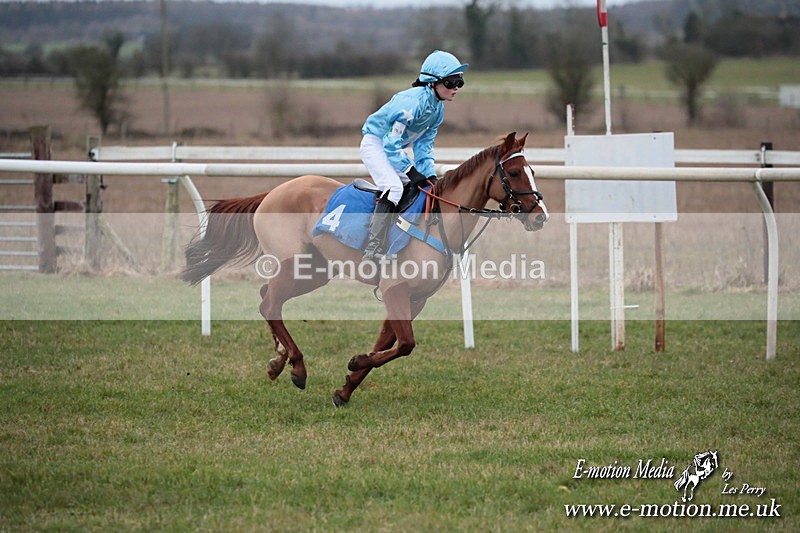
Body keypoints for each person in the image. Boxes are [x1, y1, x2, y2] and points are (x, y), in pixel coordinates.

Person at [360, 49, 468, 262]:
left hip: (393, 148)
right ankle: (372, 249)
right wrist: (410, 170)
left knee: (422, 189)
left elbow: (424, 147)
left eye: (460, 82)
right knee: (394, 187)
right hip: (376, 144)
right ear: (432, 82)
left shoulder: (437, 109)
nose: (456, 88)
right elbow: (390, 144)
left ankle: (397, 242)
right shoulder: (410, 103)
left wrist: (428, 176)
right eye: (451, 82)